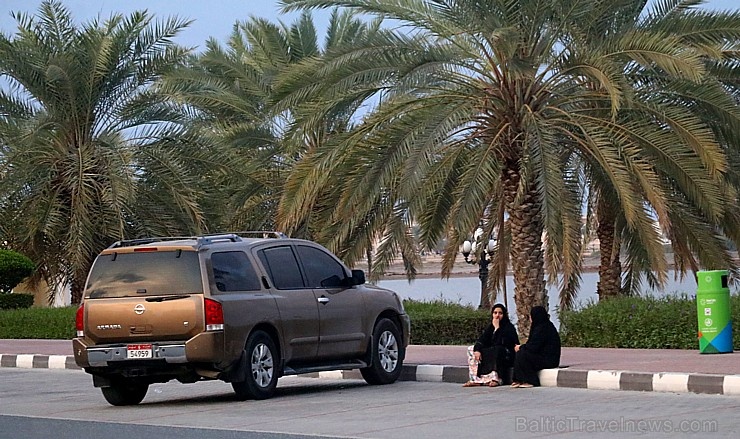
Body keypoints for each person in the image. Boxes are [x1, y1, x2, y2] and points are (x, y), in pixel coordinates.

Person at [463, 303, 519, 387]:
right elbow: (482, 340)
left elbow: (500, 343)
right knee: (471, 349)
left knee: (497, 349)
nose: (497, 315)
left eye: (500, 313)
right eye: (495, 313)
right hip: (492, 350)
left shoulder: (509, 328)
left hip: (505, 354)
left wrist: (497, 328)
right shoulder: (490, 327)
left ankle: (496, 379)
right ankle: (476, 379)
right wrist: (477, 350)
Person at [511, 305, 561, 388]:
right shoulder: (539, 327)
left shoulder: (544, 328)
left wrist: (520, 347)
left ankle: (530, 380)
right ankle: (518, 380)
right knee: (522, 353)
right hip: (542, 357)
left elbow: (534, 346)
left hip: (549, 360)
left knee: (523, 354)